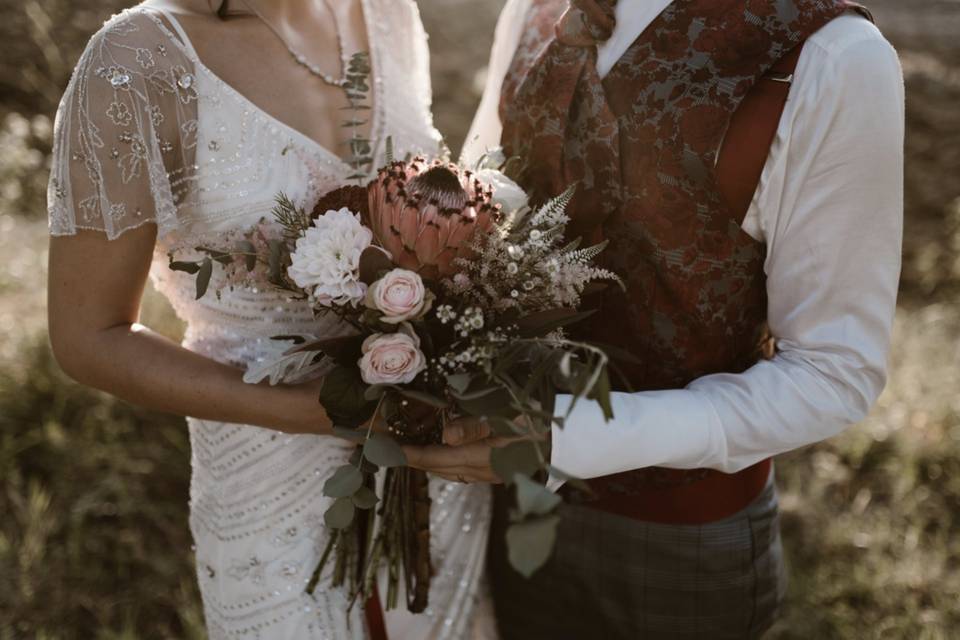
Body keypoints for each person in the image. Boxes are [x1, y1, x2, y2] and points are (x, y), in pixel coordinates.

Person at [405, 0, 905, 637]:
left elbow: (836, 372)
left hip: (681, 543)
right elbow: (477, 202)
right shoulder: (532, 8)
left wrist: (570, 439)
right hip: (504, 507)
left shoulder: (834, 57)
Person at [45, 1, 492, 637]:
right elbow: (87, 339)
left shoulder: (385, 11)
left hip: (432, 474)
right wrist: (306, 411)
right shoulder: (135, 63)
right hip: (269, 471)